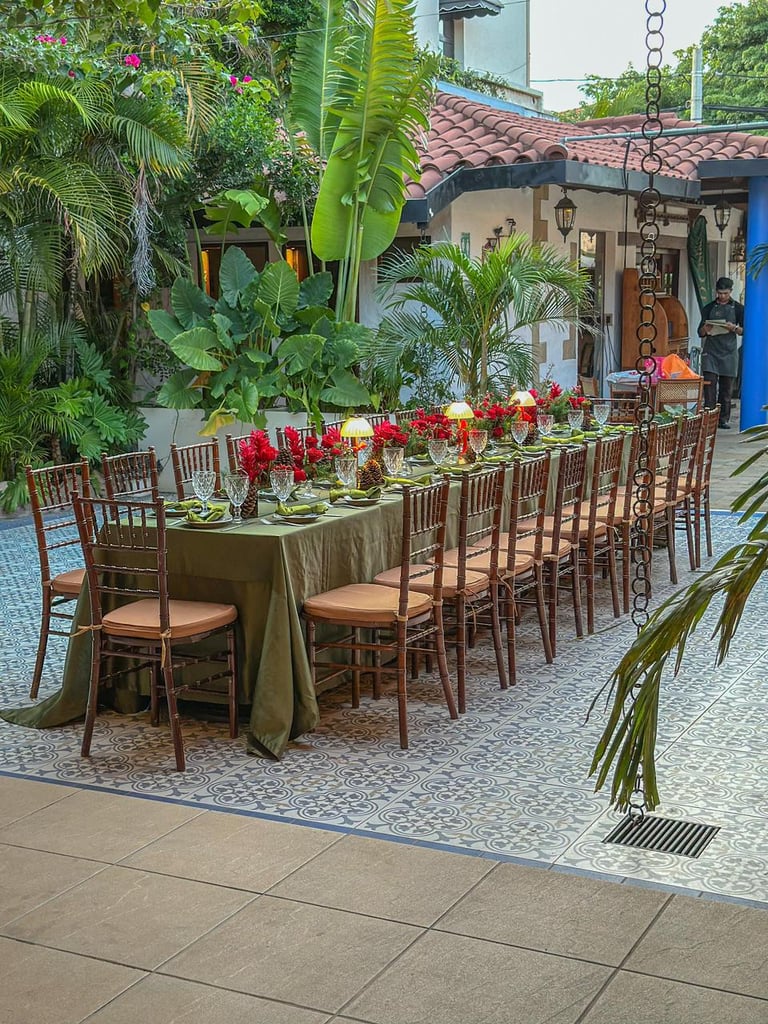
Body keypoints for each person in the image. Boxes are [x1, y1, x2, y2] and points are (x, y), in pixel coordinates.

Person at [697, 276, 745, 429]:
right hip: (711, 351)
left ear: (731, 291)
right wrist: (705, 329)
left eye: (725, 293)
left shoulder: (739, 308)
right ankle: (709, 418)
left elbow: (744, 331)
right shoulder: (708, 308)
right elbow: (700, 332)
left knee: (726, 389)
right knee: (709, 386)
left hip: (729, 352)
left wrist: (734, 328)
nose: (722, 296)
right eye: (720, 293)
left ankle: (723, 419)